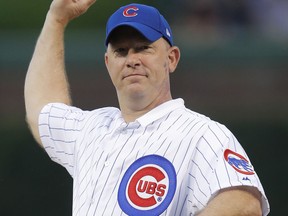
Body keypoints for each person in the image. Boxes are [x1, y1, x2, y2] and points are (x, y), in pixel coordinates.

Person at [24, 0, 270, 215]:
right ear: (108, 63)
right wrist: (55, 20)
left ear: (171, 58)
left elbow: (244, 204)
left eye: (144, 48)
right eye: (121, 51)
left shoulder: (202, 134)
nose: (132, 60)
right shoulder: (90, 129)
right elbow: (41, 110)